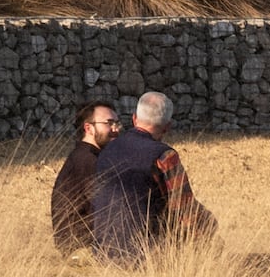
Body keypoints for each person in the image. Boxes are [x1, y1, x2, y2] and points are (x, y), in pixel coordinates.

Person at [90, 90, 216, 266]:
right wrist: (210, 231)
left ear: (134, 119)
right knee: (207, 223)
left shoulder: (106, 151)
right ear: (167, 126)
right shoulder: (165, 156)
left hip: (103, 253)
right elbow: (186, 209)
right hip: (146, 256)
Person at [49, 102, 119, 257]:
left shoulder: (86, 155)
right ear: (88, 128)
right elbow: (105, 206)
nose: (116, 129)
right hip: (82, 249)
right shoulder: (87, 160)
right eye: (109, 123)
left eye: (116, 123)